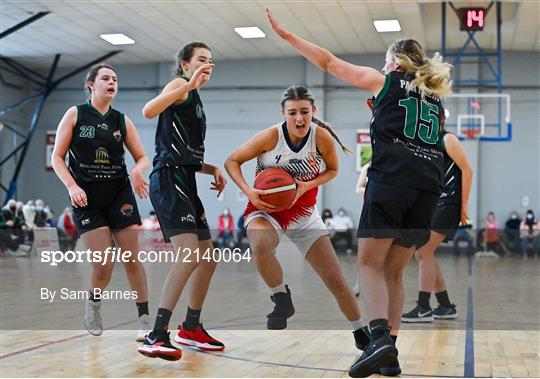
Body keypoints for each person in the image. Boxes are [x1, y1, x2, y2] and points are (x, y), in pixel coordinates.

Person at [266, 9, 452, 376]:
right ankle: (390, 353)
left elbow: (328, 61)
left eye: (385, 63)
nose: (382, 68)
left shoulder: (385, 82)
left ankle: (379, 340)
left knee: (368, 264)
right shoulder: (434, 100)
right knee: (395, 271)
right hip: (428, 188)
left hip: (392, 181)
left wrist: (287, 36)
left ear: (395, 62)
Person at [225, 85, 370, 352]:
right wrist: (249, 191)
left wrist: (306, 185)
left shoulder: (321, 137)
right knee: (259, 244)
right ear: (283, 113)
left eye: (305, 111)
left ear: (314, 111)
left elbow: (334, 170)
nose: (299, 118)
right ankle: (281, 297)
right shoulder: (270, 136)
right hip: (266, 209)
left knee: (336, 280)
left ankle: (361, 331)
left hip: (304, 214)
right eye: (292, 113)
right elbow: (232, 161)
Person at [137, 41, 226, 361]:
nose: (208, 64)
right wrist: (185, 85)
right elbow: (148, 111)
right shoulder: (179, 85)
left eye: (211, 60)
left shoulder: (196, 99)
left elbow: (184, 154)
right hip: (168, 180)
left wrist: (212, 168)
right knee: (188, 255)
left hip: (185, 179)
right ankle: (157, 333)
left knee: (208, 258)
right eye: (201, 59)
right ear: (185, 65)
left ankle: (191, 327)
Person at [52, 63, 151, 340]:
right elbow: (56, 157)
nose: (112, 82)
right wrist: (71, 185)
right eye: (105, 78)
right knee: (103, 264)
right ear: (91, 85)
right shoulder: (75, 114)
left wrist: (137, 170)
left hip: (119, 194)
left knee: (132, 258)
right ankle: (93, 306)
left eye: (115, 79)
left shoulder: (122, 120)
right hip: (87, 199)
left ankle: (144, 319)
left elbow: (142, 157)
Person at [402, 116, 473, 323]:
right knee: (425, 253)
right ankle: (445, 306)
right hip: (434, 203)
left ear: (438, 119)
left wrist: (464, 204)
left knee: (423, 251)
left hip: (450, 202)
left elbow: (467, 169)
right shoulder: (424, 144)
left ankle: (424, 307)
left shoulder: (447, 139)